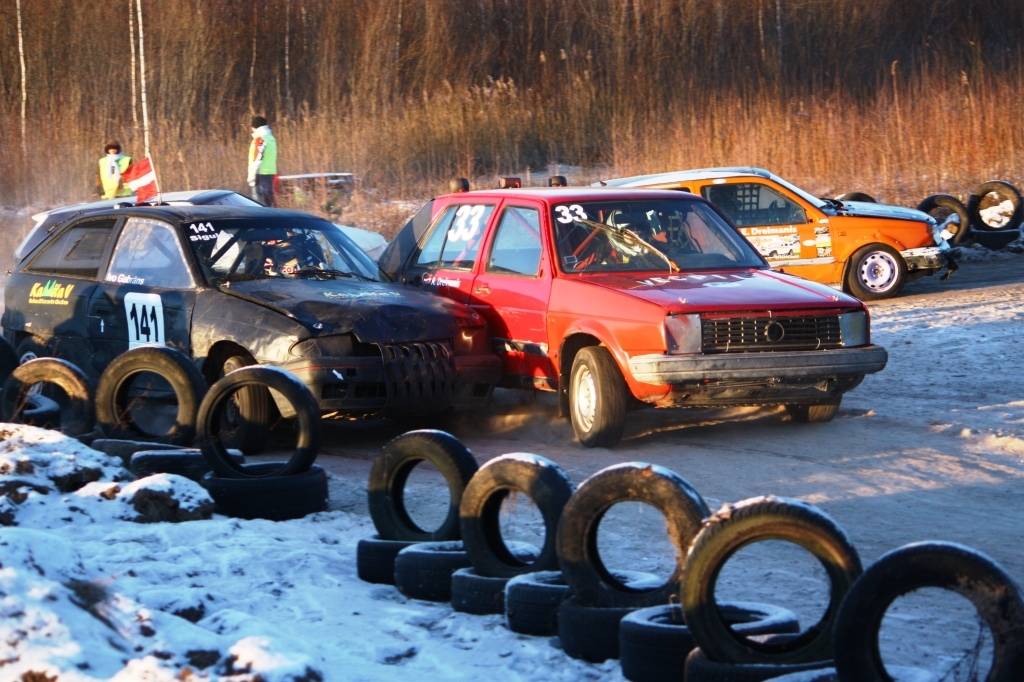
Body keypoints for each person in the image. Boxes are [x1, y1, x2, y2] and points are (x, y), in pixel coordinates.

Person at [247, 115, 278, 206]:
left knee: (258, 203)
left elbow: (258, 158)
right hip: (269, 172)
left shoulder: (260, 139)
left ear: (255, 127)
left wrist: (252, 176)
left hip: (260, 174)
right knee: (269, 200)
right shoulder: (270, 138)